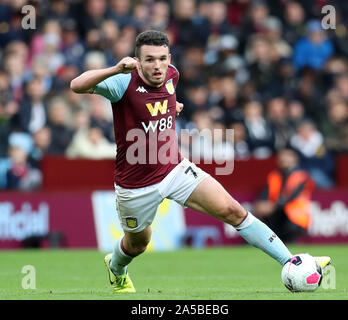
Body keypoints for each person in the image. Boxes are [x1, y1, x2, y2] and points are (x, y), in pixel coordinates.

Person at [70, 30, 330, 293]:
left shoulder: (172, 75)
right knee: (138, 244)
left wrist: (173, 106)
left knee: (233, 210)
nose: (157, 66)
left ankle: (292, 261)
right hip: (135, 186)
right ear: (137, 60)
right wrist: (115, 68)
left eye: (161, 58)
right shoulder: (122, 82)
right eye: (149, 60)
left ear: (169, 57)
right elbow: (77, 85)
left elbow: (158, 103)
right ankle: (116, 267)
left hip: (174, 169)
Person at [253, 149, 314, 243]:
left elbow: (290, 197)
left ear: (295, 159)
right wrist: (261, 204)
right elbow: (265, 193)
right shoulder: (274, 176)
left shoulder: (301, 176)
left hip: (295, 217)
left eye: (287, 156)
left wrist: (271, 206)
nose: (283, 159)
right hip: (277, 214)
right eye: (281, 156)